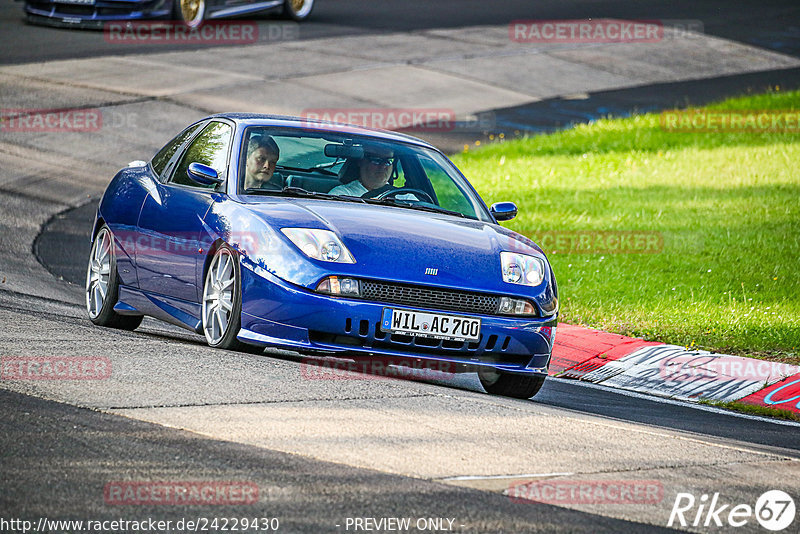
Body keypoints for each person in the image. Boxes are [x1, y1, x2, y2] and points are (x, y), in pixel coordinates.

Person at [329, 146, 394, 197]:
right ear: (361, 162)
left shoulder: (399, 195)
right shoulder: (341, 194)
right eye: (376, 160)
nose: (383, 166)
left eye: (388, 161)